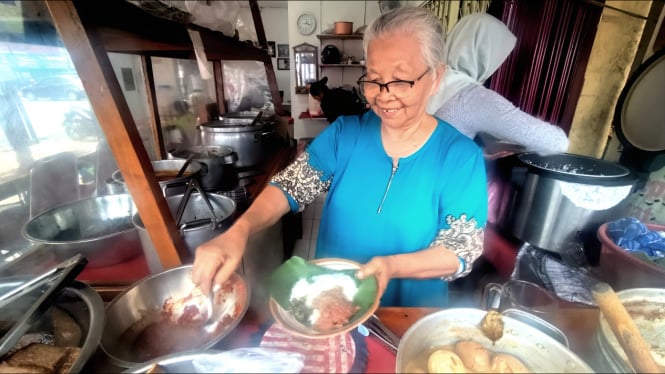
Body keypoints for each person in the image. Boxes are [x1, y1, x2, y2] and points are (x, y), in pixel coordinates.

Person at [192, 7, 488, 307]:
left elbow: (460, 249)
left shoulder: (460, 157)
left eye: (400, 80)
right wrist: (239, 231)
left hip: (406, 314)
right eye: (373, 79)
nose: (383, 95)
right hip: (332, 304)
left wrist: (391, 267)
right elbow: (291, 187)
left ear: (436, 78)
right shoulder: (345, 134)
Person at [426, 12, 569, 156]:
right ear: (487, 54)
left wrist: (482, 155)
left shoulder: (427, 76)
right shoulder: (472, 97)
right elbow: (556, 142)